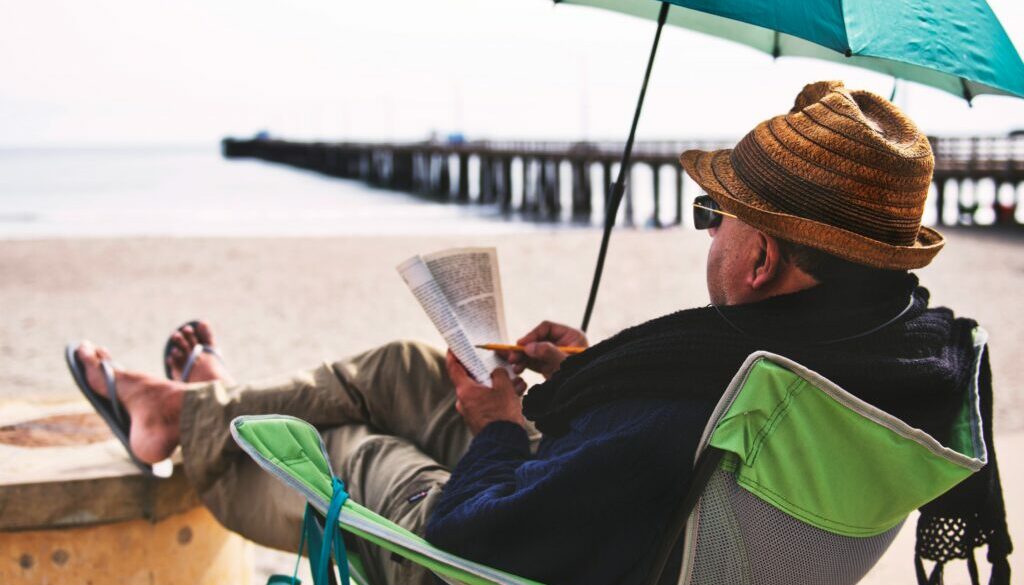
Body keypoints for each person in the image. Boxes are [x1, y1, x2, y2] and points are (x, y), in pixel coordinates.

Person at [67, 81, 1011, 585]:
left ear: (760, 260)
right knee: (405, 365)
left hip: (489, 554)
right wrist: (597, 371)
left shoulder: (685, 414)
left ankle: (188, 419)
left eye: (710, 217)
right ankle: (187, 405)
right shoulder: (879, 362)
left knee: (344, 444)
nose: (709, 232)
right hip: (639, 513)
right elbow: (673, 436)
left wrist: (497, 425)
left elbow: (483, 534)